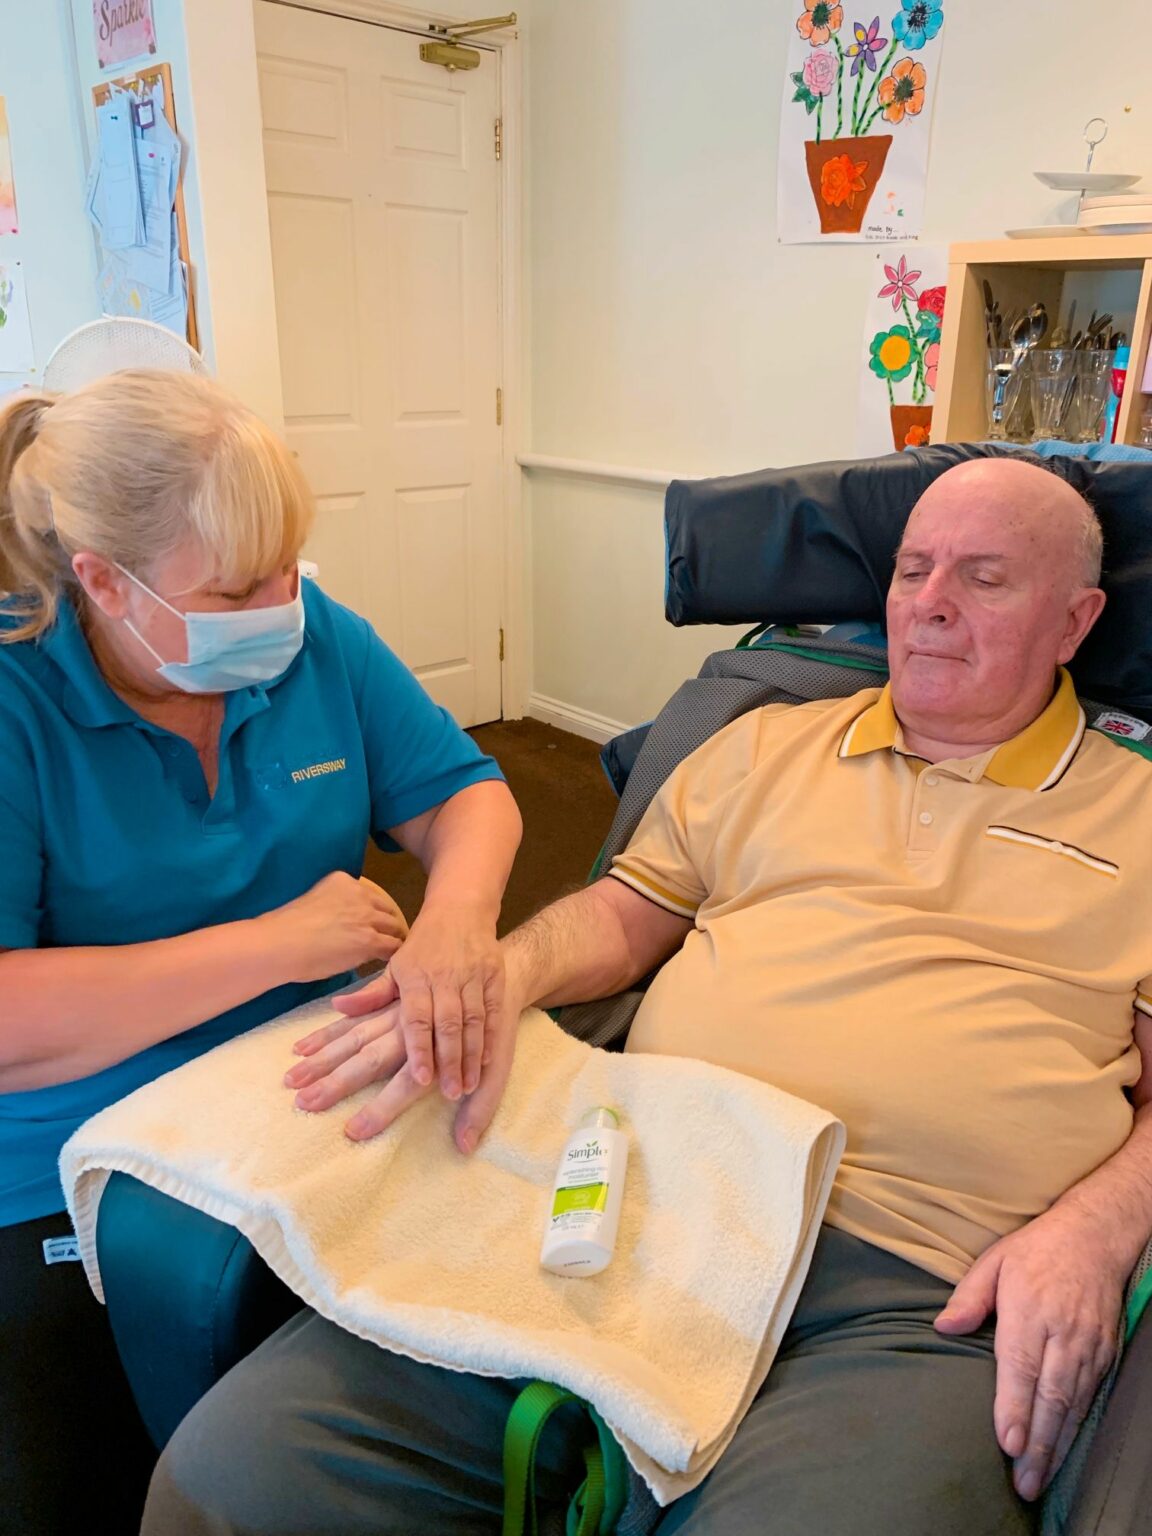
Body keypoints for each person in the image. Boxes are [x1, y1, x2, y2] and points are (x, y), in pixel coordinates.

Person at [143, 457, 1152, 1536]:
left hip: (915, 1286)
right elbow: (626, 917)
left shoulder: (1137, 809)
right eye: (912, 570)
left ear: (1076, 621)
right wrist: (499, 973)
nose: (930, 603)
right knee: (235, 1475)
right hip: (638, 1198)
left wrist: (1101, 1226)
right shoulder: (761, 742)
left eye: (984, 578)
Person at [0, 370, 522, 1536]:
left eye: (287, 567)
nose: (280, 606)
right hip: (73, 1156)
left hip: (305, 1092)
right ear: (103, 582)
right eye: (237, 590)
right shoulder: (15, 693)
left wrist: (454, 921)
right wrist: (273, 947)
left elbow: (468, 795)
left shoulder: (308, 637)